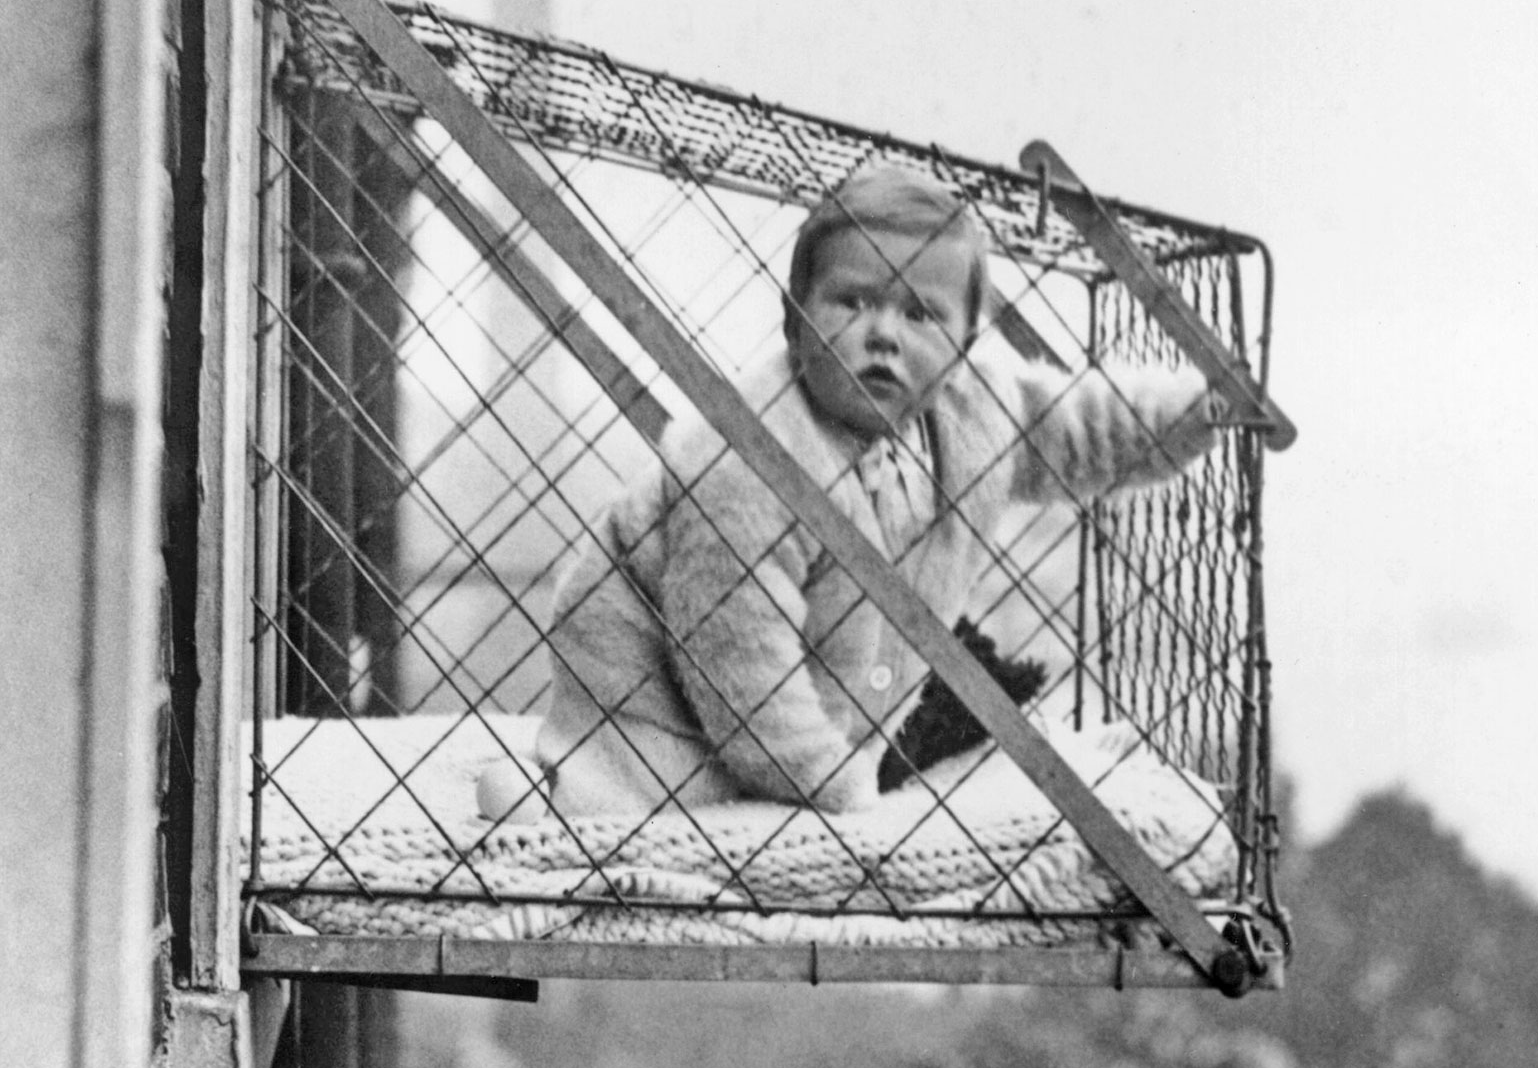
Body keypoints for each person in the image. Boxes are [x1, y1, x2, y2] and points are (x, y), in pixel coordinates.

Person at [476, 167, 1228, 822]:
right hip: (652, 675)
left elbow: (1083, 431)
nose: (885, 335)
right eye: (852, 302)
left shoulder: (975, 414)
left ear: (966, 346)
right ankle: (557, 788)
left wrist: (1196, 413)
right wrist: (827, 785)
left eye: (921, 313)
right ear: (794, 324)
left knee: (924, 723)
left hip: (839, 670)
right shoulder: (747, 464)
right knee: (654, 793)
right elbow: (739, 662)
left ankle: (938, 758)